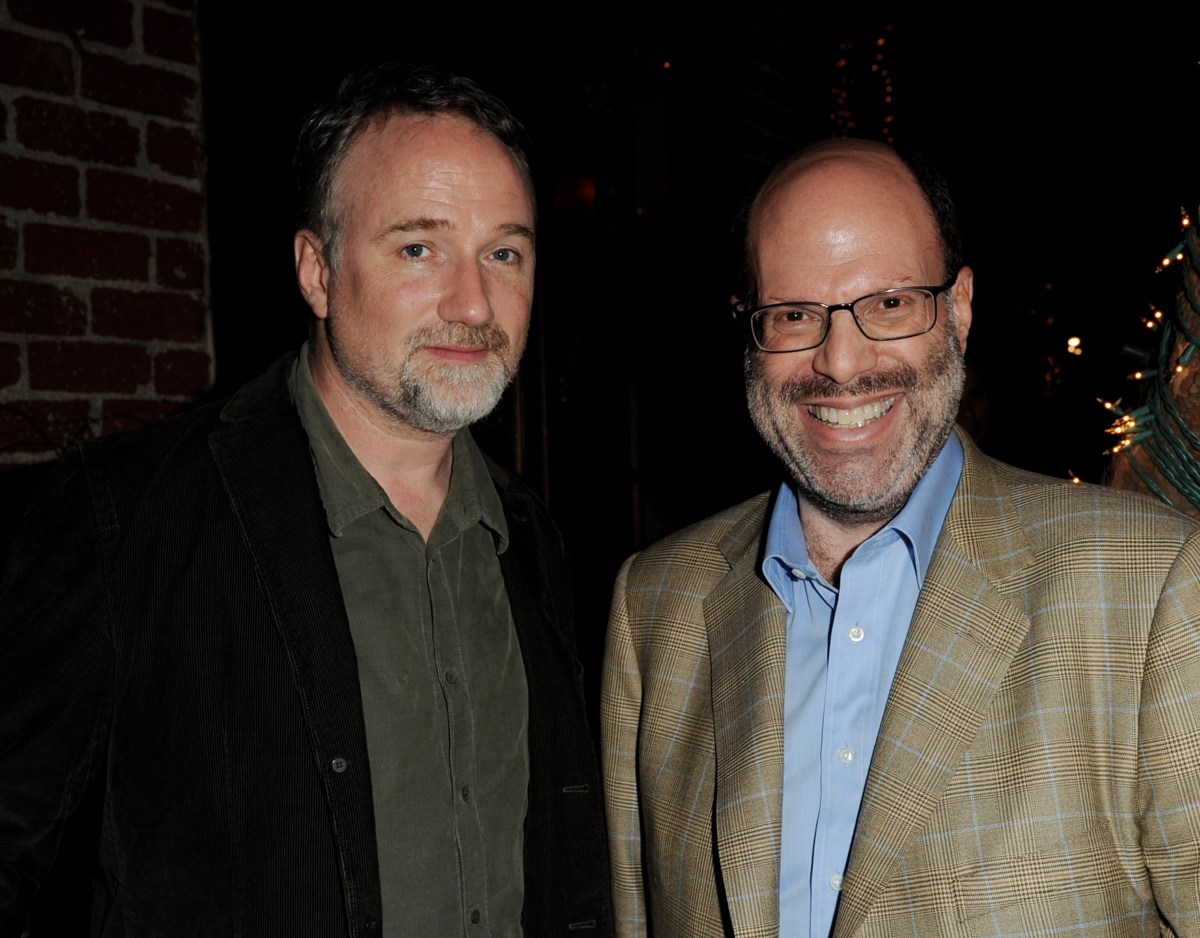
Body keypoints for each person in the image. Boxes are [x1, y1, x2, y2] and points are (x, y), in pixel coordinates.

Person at [0, 64, 611, 937]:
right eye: (418, 247)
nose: (474, 302)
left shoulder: (532, 538)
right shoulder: (125, 515)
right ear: (316, 271)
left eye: (504, 253)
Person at [601, 138, 1200, 937]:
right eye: (794, 314)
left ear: (957, 309)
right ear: (749, 331)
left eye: (889, 303)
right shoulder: (655, 606)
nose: (841, 363)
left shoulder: (1154, 584)